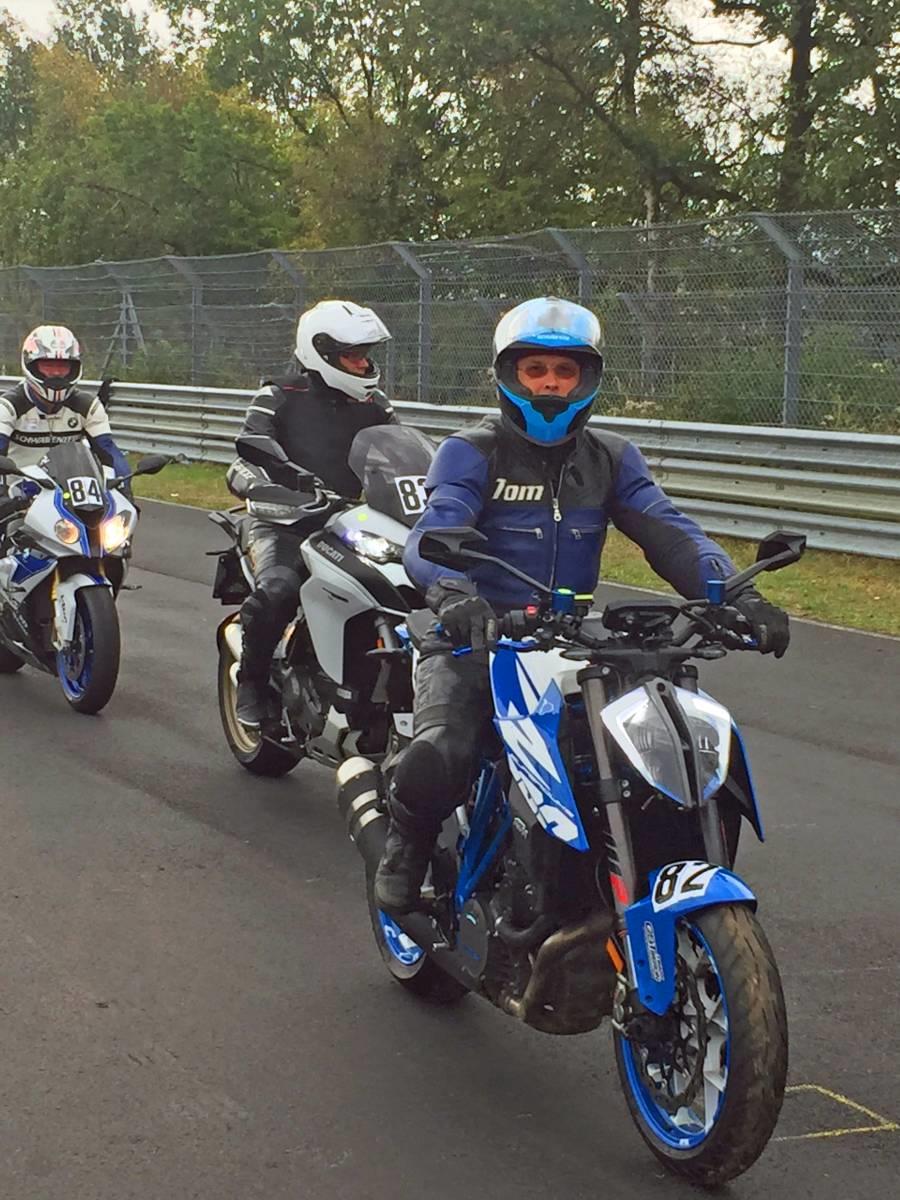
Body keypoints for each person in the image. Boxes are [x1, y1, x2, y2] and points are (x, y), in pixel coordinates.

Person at [374, 296, 790, 913]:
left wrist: (738, 594)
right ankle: (404, 851)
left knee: (669, 741)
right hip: (477, 635)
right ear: (508, 374)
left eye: (564, 371)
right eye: (535, 370)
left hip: (572, 640)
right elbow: (435, 530)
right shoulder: (471, 451)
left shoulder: (611, 457)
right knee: (443, 752)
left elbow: (670, 532)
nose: (549, 384)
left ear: (587, 379)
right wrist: (454, 594)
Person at [228, 299, 396, 728]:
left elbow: (399, 454)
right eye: (352, 356)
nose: (363, 365)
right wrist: (268, 487)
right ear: (321, 352)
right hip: (284, 522)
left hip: (348, 524)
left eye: (365, 355)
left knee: (404, 589)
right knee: (278, 590)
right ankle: (251, 682)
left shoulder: (376, 405)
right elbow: (244, 459)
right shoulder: (278, 396)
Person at [0, 325, 130, 488]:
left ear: (73, 368)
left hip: (72, 494)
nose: (56, 373)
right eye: (48, 365)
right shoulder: (8, 407)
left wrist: (122, 487)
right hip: (17, 494)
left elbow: (109, 452)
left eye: (62, 366)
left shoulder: (88, 407)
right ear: (31, 365)